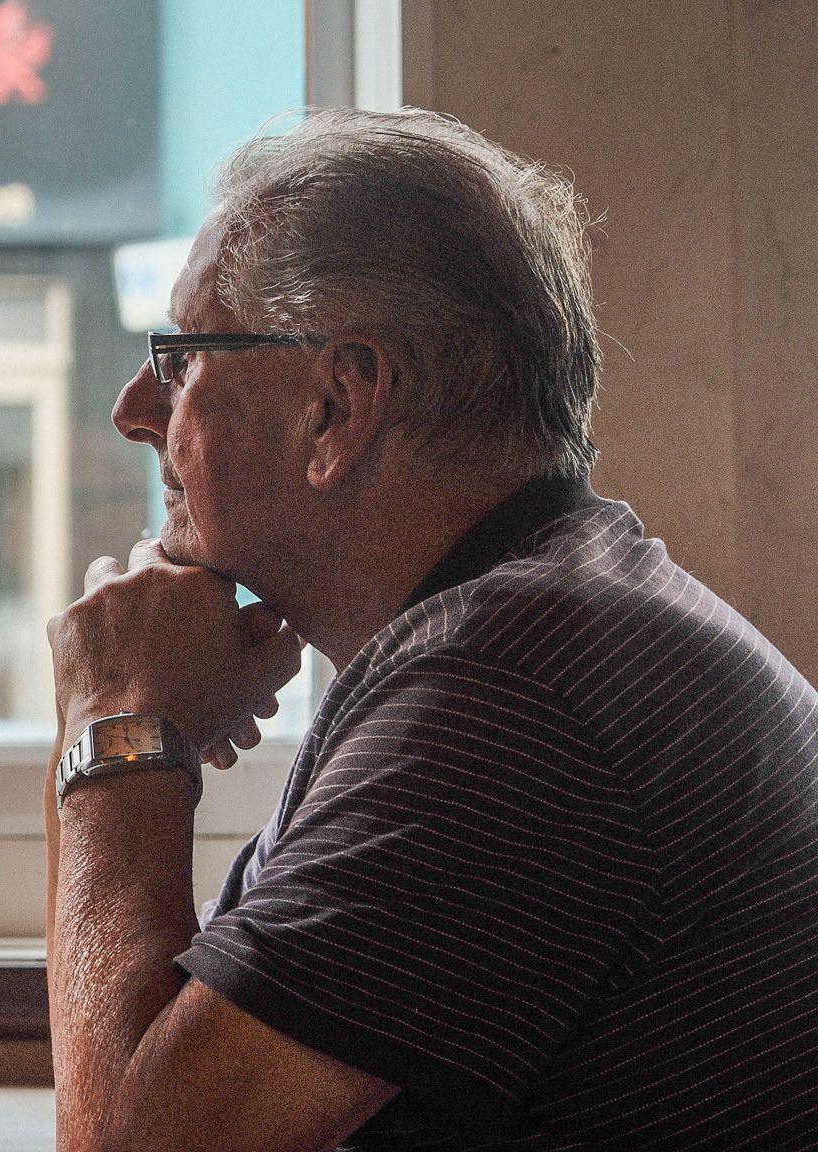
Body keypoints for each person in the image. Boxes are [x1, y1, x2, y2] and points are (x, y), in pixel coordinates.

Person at [43, 108, 818, 1150]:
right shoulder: (537, 623)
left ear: (337, 406)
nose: (135, 410)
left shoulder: (512, 702)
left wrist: (114, 719)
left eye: (180, 359)